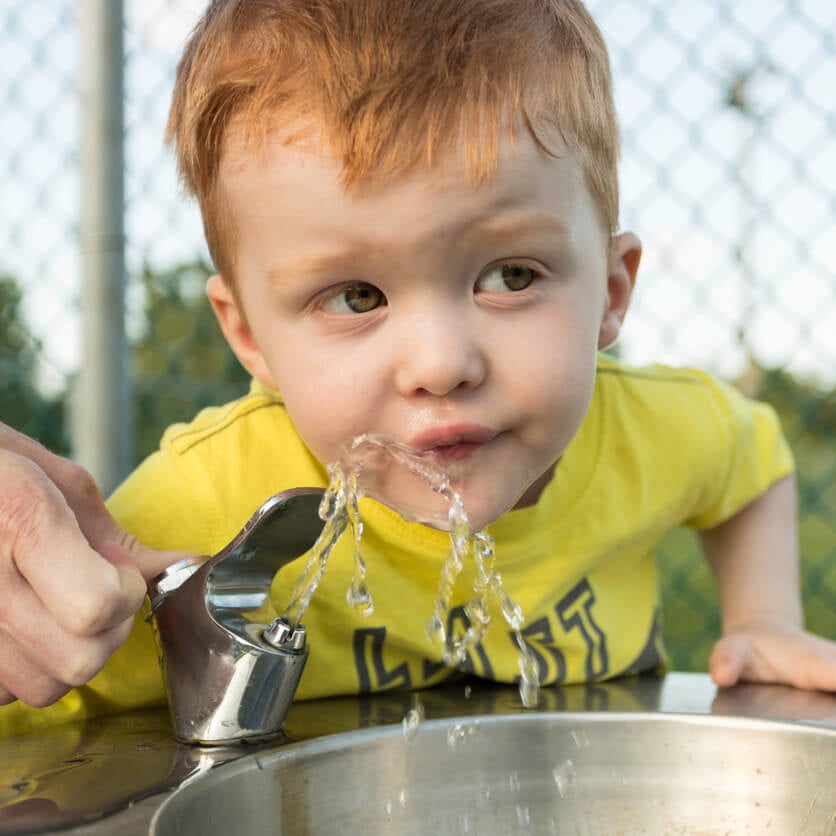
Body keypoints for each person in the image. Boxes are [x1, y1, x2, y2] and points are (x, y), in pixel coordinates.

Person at [2, 0, 834, 733]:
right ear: (249, 335)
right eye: (356, 297)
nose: (441, 365)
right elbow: (44, 691)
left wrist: (762, 617)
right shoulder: (198, 512)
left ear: (612, 293)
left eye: (511, 277)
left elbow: (750, 460)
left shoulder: (653, 432)